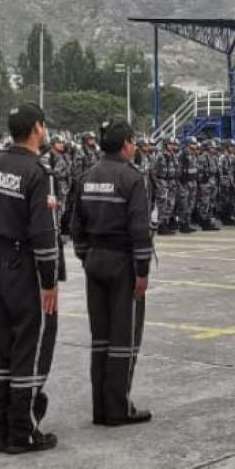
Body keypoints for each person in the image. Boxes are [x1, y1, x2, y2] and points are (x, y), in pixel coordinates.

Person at [0, 102, 60, 454]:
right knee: (30, 350)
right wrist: (48, 281)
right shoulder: (38, 172)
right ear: (37, 128)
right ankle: (23, 431)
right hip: (26, 266)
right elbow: (45, 233)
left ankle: (1, 430)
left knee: (0, 349)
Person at [70, 120, 152, 426]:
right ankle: (117, 408)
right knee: (124, 338)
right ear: (126, 144)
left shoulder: (86, 177)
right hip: (122, 263)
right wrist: (142, 271)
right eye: (133, 142)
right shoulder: (132, 178)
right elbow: (140, 229)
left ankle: (101, 408)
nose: (135, 147)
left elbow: (75, 225)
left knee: (100, 338)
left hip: (95, 260)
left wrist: (86, 256)